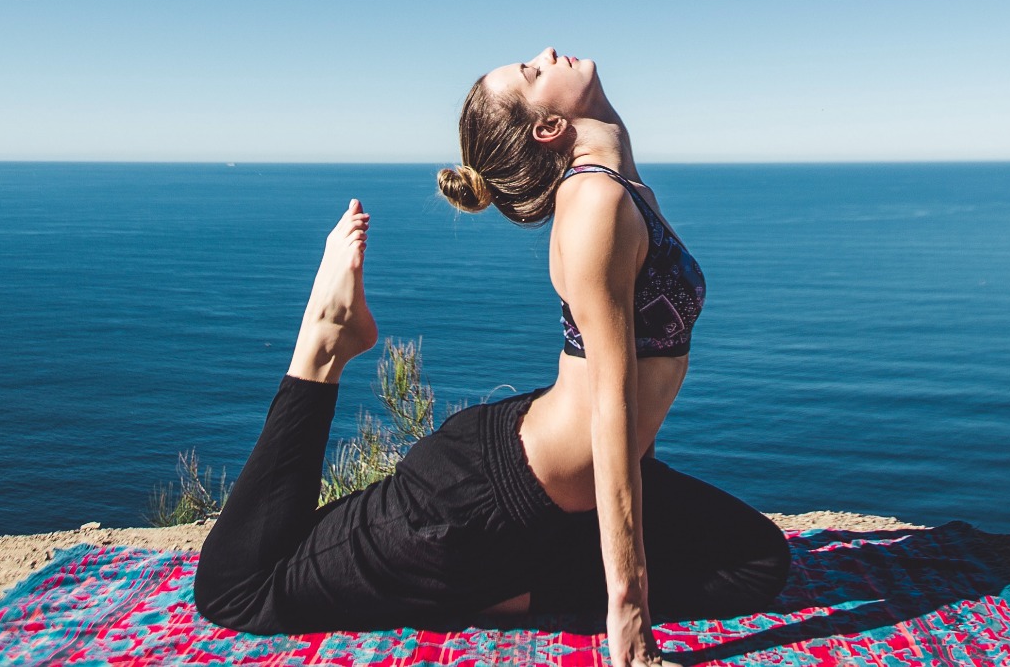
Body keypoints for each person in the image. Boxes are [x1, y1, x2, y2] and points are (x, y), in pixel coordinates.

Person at [193, 49, 790, 665]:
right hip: (479, 500)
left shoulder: (624, 190)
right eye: (533, 73)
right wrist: (629, 621)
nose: (546, 55)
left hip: (559, 490)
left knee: (756, 562)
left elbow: (632, 396)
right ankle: (324, 343)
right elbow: (610, 410)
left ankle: (502, 583)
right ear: (549, 129)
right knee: (240, 589)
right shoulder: (595, 206)